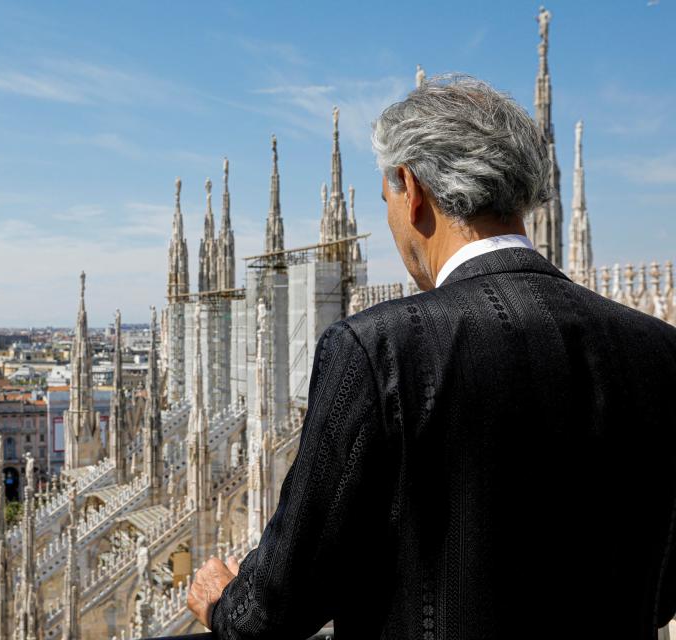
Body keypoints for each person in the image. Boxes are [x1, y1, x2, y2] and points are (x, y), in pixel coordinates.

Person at [188, 75, 676, 639]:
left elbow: (277, 604)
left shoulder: (379, 349)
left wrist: (227, 604)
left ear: (412, 190)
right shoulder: (660, 352)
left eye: (387, 202)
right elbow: (663, 583)